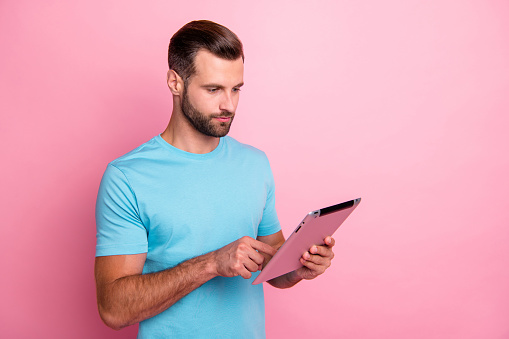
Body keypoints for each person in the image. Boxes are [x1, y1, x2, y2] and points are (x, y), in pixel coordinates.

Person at [94, 20, 335, 338]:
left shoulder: (255, 164)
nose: (229, 105)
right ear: (175, 83)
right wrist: (210, 264)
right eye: (213, 89)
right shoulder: (127, 178)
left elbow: (273, 266)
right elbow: (113, 309)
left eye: (236, 89)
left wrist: (298, 267)